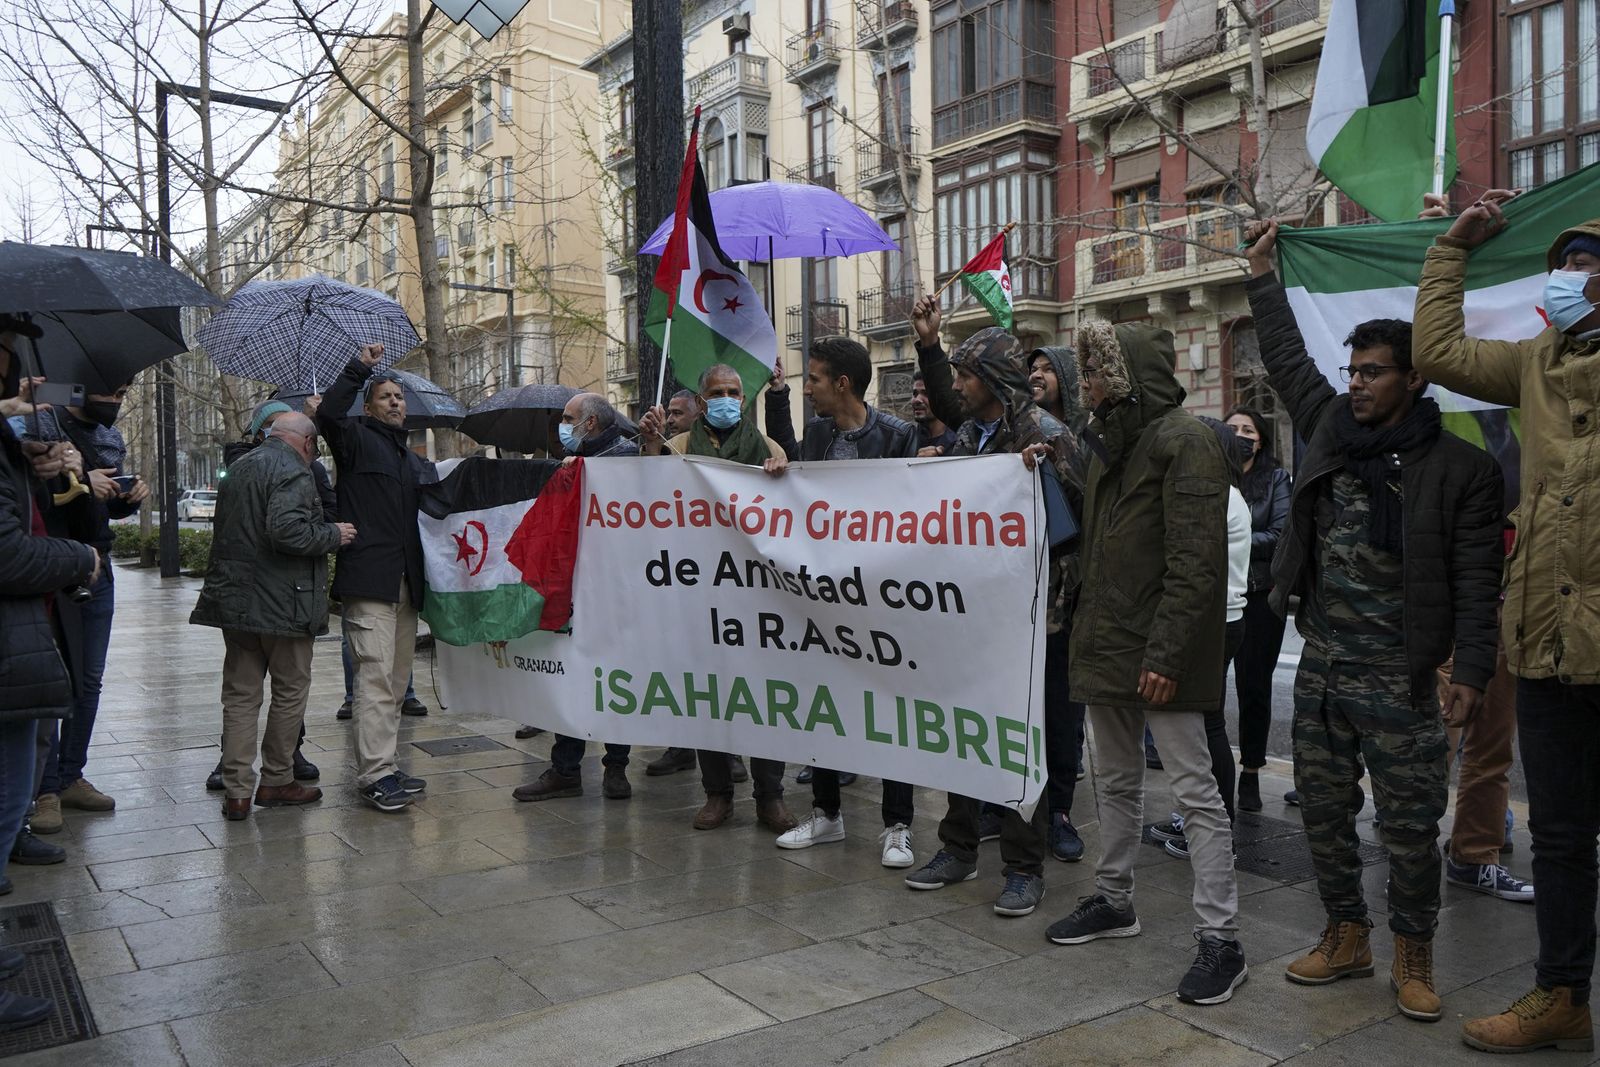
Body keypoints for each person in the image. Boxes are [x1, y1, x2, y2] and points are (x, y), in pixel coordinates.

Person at [1239, 219, 1502, 1023]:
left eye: (1373, 373)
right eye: (1351, 370)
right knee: (1322, 813)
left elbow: (1477, 576)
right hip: (1322, 666)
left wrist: (1471, 670)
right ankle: (1346, 932)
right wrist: (1259, 275)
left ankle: (1412, 952)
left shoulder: (1461, 468)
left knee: (1412, 825)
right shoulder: (1329, 430)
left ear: (1416, 377)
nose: (1355, 384)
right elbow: (1286, 358)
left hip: (1405, 672)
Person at [1409, 196, 1600, 1053]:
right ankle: (1561, 993)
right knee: (1558, 835)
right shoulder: (1534, 362)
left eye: (1589, 267)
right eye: (1565, 265)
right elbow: (1437, 351)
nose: (1571, 279)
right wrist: (1452, 246)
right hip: (1548, 642)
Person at [1044, 316, 1245, 1007]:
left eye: (1098, 371)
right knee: (1117, 783)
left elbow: (1196, 565)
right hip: (1110, 645)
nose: (1089, 384)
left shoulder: (1186, 442)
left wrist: (1164, 652)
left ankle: (1221, 939)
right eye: (1088, 370)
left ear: (1130, 379)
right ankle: (1114, 899)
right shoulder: (1109, 446)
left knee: (1195, 794)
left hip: (1165, 654)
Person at [898, 297, 1073, 919]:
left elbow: (1075, 524)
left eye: (966, 375)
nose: (957, 388)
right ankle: (959, 846)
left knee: (1019, 739)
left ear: (992, 380)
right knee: (961, 731)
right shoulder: (973, 434)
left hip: (1030, 619)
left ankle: (1025, 867)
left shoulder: (1047, 435)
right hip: (969, 610)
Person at [760, 338, 920, 867]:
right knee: (824, 705)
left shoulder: (898, 437)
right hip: (827, 599)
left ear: (843, 383)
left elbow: (911, 515)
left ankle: (897, 826)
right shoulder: (820, 434)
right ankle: (827, 814)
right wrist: (786, 473)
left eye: (815, 379)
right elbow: (804, 491)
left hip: (882, 600)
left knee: (892, 707)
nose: (811, 388)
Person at [640, 363, 795, 834]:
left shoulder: (768, 448)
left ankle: (770, 796)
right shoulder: (680, 447)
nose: (727, 398)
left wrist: (783, 476)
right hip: (700, 590)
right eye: (718, 392)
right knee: (709, 695)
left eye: (734, 391)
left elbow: (791, 514)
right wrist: (650, 448)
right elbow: (650, 498)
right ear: (703, 401)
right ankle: (717, 794)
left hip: (757, 594)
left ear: (743, 399)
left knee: (767, 697)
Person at [190, 413, 354, 820]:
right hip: (285, 605)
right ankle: (278, 780)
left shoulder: (241, 466)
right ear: (308, 444)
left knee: (241, 697)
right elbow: (289, 532)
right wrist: (335, 534)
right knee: (289, 691)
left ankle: (237, 793)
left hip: (237, 604)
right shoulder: (295, 471)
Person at [21, 383, 146, 837]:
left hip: (98, 566)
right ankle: (46, 789)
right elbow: (30, 493)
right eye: (110, 391)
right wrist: (71, 479)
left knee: (88, 680)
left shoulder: (108, 439)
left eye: (124, 392)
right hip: (55, 565)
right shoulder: (42, 422)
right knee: (53, 681)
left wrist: (123, 497)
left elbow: (101, 508)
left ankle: (72, 774)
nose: (116, 399)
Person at [316, 343, 432, 813]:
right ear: (368, 406)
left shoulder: (407, 457)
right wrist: (359, 366)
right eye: (386, 396)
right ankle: (375, 774)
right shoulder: (353, 437)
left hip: (405, 584)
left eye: (399, 397)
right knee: (375, 680)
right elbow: (327, 415)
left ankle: (386, 762)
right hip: (369, 582)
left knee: (398, 681)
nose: (395, 403)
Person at [515, 393, 638, 803]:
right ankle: (566, 768)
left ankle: (616, 768)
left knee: (615, 679)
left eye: (568, 419)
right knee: (571, 676)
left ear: (590, 424)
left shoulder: (628, 459)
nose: (561, 427)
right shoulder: (574, 464)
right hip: (576, 589)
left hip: (615, 592)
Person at [1147, 417, 1252, 860]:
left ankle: (1215, 822)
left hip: (1217, 622)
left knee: (1206, 726)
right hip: (1224, 619)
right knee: (1203, 724)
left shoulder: (1220, 497)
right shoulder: (1230, 495)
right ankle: (1201, 815)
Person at [1025, 344, 1091, 863]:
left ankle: (1061, 811)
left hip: (1068, 599)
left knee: (1062, 709)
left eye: (1048, 369)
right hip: (1023, 593)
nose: (1037, 375)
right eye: (1032, 369)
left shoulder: (1086, 436)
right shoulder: (1022, 432)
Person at [1223, 405, 1291, 812]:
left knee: (1253, 687)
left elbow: (1281, 534)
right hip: (1216, 596)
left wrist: (1232, 539)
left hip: (1259, 596)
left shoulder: (1276, 479)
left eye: (1248, 429)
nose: (1240, 435)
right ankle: (1214, 774)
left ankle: (1250, 772)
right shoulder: (1214, 476)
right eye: (1232, 428)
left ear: (1261, 440)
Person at [910, 371, 957, 456]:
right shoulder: (908, 439)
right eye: (915, 394)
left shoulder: (964, 441)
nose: (917, 400)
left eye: (926, 394)